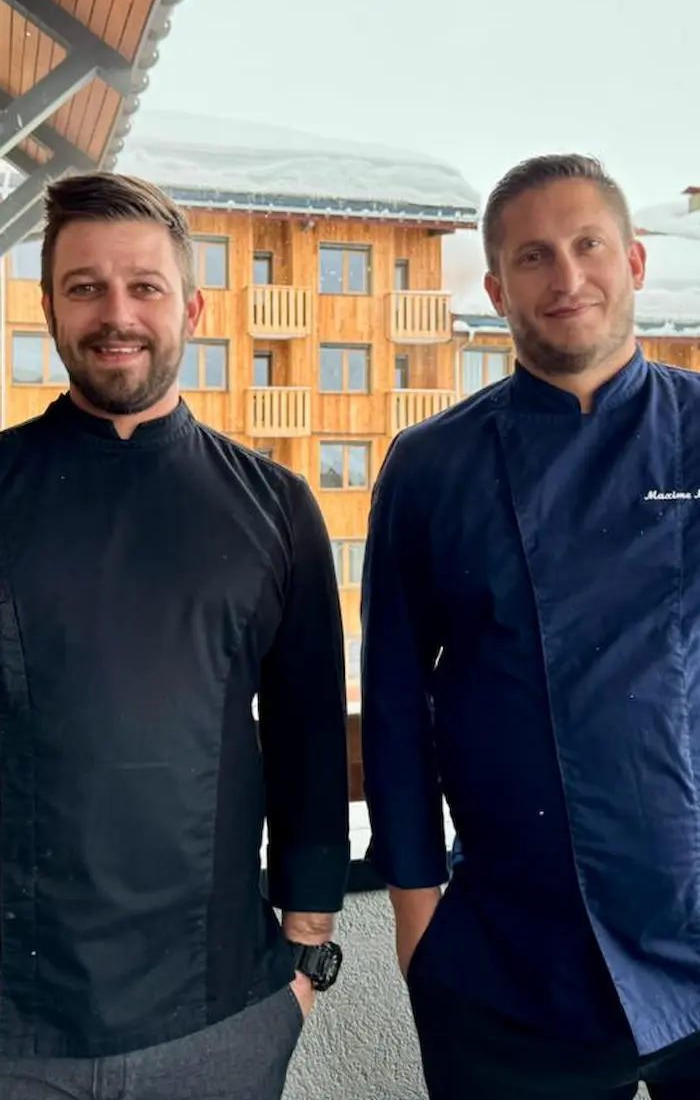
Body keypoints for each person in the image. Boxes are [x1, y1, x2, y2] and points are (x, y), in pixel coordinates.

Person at [0, 172, 349, 1100]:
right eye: (85, 287)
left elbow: (312, 739)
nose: (117, 314)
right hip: (16, 1023)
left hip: (220, 1012)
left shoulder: (275, 506)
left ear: (190, 306)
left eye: (144, 287)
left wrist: (305, 958)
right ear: (49, 308)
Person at [361, 154, 700, 1099]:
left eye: (588, 245)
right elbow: (393, 699)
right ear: (496, 287)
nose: (567, 278)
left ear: (634, 262)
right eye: (535, 257)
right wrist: (416, 910)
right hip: (512, 953)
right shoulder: (432, 465)